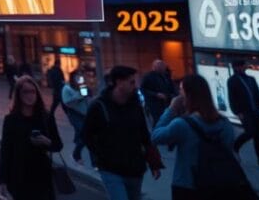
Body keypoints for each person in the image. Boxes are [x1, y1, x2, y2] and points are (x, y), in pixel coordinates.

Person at [152, 74, 257, 199]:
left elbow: (156, 136)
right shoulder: (224, 123)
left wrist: (170, 109)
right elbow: (229, 148)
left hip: (187, 183)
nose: (178, 92)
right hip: (220, 182)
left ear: (187, 94)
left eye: (181, 89)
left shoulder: (182, 124)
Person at [83, 66, 162, 200]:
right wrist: (101, 157)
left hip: (134, 168)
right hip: (111, 169)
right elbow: (87, 135)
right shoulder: (99, 105)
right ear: (119, 82)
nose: (135, 86)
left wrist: (154, 163)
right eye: (131, 82)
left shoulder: (135, 105)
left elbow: (144, 134)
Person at [0, 76, 62, 200]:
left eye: (33, 91)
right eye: (26, 92)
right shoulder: (11, 120)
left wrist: (47, 141)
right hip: (19, 176)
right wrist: (2, 180)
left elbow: (58, 145)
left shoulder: (46, 117)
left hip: (42, 176)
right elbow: (5, 151)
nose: (30, 95)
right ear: (19, 94)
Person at [227, 59, 259, 168]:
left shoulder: (250, 79)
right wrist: (237, 112)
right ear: (237, 67)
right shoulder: (232, 80)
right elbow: (232, 98)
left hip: (255, 110)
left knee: (258, 136)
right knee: (250, 132)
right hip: (244, 111)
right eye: (244, 65)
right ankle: (235, 146)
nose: (246, 67)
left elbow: (257, 95)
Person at [62, 71, 91, 164]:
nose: (79, 79)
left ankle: (77, 142)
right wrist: (79, 95)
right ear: (72, 78)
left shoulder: (82, 87)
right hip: (74, 114)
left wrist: (86, 90)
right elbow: (67, 103)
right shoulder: (66, 89)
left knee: (81, 133)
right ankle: (76, 154)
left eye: (80, 77)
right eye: (77, 77)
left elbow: (86, 98)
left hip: (84, 113)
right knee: (84, 135)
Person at [141, 59, 176, 126]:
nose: (163, 68)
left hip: (167, 102)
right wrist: (156, 95)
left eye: (163, 66)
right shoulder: (148, 77)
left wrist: (173, 95)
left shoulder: (166, 76)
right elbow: (143, 89)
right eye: (161, 66)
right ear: (154, 67)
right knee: (158, 121)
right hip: (155, 105)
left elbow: (171, 87)